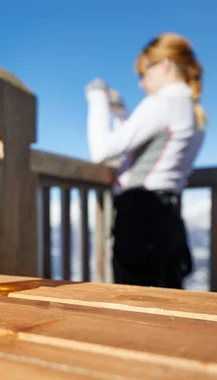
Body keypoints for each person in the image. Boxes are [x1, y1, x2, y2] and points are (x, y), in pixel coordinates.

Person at [84, 32, 206, 289]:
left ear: (164, 65)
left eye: (144, 73)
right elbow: (149, 148)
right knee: (164, 298)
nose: (141, 83)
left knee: (135, 302)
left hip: (140, 214)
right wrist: (121, 111)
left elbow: (103, 150)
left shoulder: (163, 102)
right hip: (166, 216)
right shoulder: (192, 110)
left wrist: (97, 99)